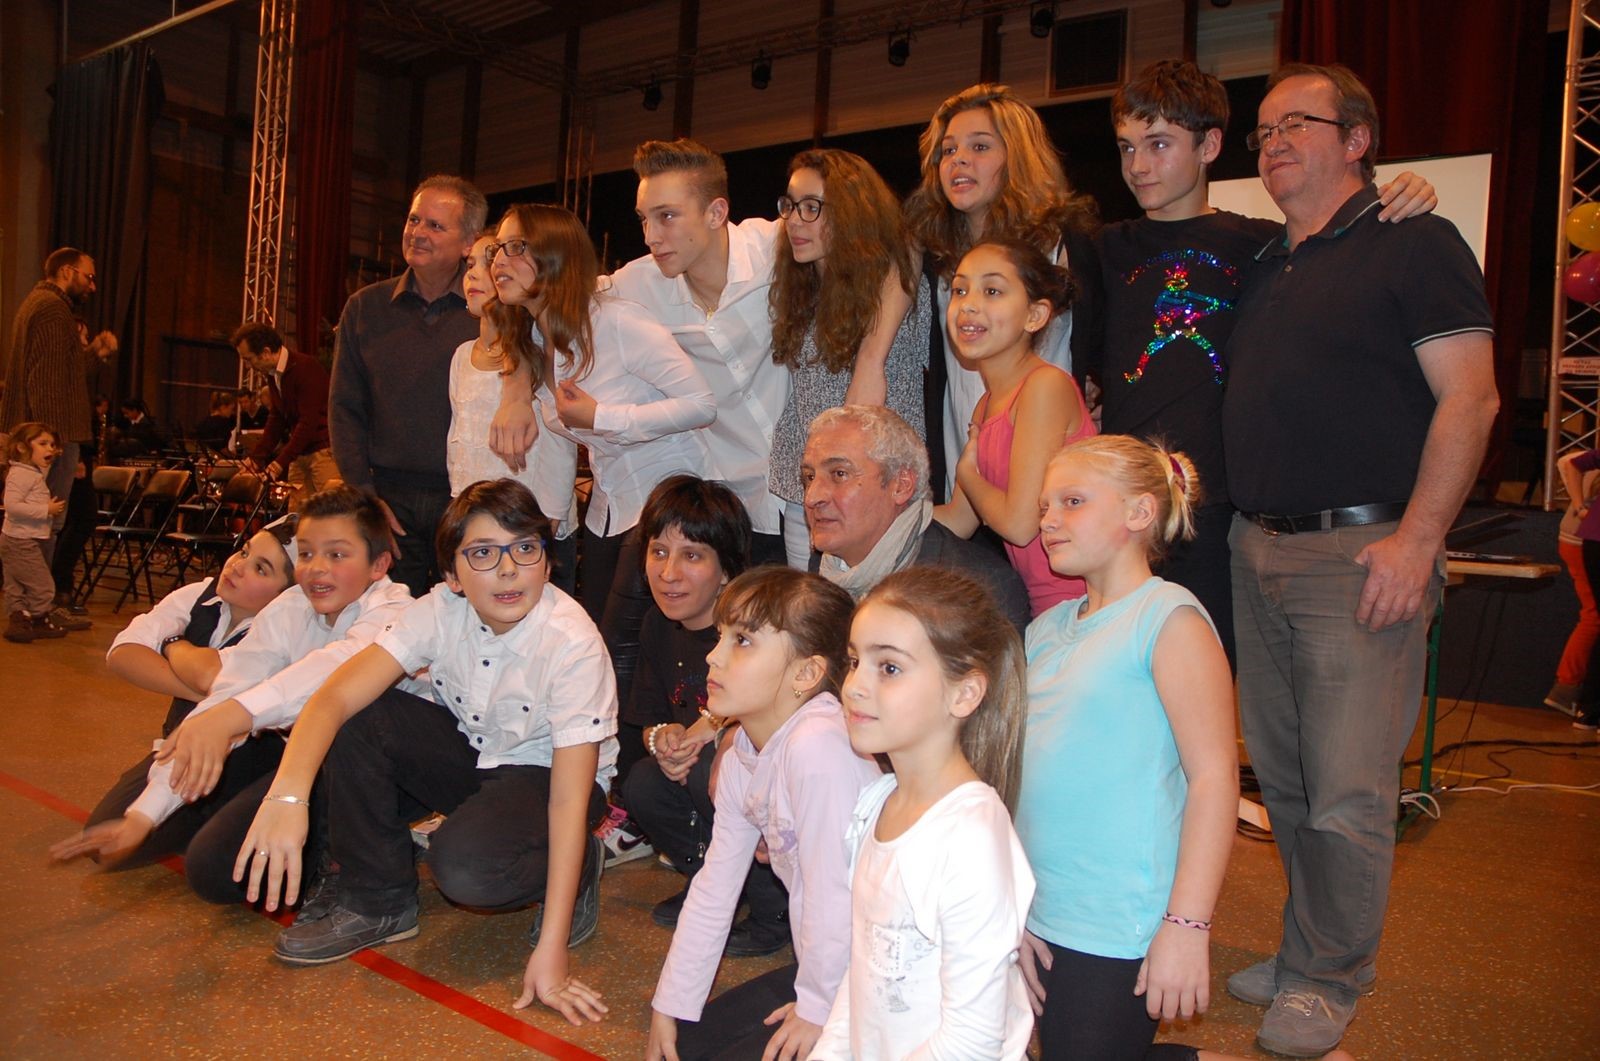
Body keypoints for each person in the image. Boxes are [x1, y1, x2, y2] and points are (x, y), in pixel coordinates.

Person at [1221, 64, 1499, 1056]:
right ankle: (1305, 949)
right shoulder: (1267, 262)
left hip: (1361, 552)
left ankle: (1331, 975)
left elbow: (1471, 398)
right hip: (1257, 548)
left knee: (1347, 790)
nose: (1272, 143)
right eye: (1261, 131)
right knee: (1290, 783)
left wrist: (1418, 540)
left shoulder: (1414, 240)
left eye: (1295, 123)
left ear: (1357, 139)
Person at [1085, 59, 1439, 668]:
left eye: (1159, 144)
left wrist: (1407, 192)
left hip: (1221, 515)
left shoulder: (1264, 245)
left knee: (1205, 680)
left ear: (1209, 146)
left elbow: (1344, 238)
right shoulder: (1100, 250)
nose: (1138, 165)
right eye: (1126, 147)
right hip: (1121, 508)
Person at [237, 479, 618, 1029]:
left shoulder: (572, 642)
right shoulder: (437, 609)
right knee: (361, 715)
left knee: (464, 871)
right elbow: (334, 696)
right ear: (452, 576)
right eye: (482, 553)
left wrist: (551, 949)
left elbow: (567, 799)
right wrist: (287, 796)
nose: (508, 570)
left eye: (524, 548)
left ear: (547, 562)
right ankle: (378, 900)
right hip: (475, 754)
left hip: (552, 777)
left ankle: (581, 865)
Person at [49, 486, 414, 905]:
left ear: (378, 565)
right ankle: (229, 814)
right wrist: (144, 815)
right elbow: (231, 689)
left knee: (218, 869)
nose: (316, 568)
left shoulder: (394, 610)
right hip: (299, 755)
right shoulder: (290, 607)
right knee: (191, 854)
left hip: (386, 772)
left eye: (336, 554)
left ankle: (348, 856)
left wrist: (233, 716)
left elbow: (331, 673)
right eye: (307, 553)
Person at [1017, 437, 1237, 1060]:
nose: (1048, 520)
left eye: (1073, 502)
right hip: (1043, 908)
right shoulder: (1045, 630)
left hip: (1119, 920)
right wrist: (1011, 907)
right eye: (1044, 506)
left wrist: (1187, 924)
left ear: (1140, 513)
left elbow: (1214, 778)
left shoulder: (1167, 619)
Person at [645, 566, 880, 1061]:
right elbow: (715, 889)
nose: (713, 655)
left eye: (743, 641)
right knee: (683, 1048)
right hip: (837, 966)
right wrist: (671, 1003)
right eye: (721, 636)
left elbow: (832, 896)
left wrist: (818, 1009)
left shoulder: (820, 746)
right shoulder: (744, 755)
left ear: (805, 674)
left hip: (890, 979)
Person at [489, 202, 714, 713]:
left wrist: (603, 416)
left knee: (616, 653)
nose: (500, 260)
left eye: (517, 247)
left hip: (663, 499)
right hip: (608, 508)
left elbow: (702, 404)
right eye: (498, 248)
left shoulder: (614, 321)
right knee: (596, 642)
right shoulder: (536, 337)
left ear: (556, 256)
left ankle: (624, 755)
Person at [812, 566, 1034, 1058]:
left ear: (964, 694)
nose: (853, 686)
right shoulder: (876, 805)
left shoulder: (971, 837)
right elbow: (863, 977)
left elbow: (971, 1043)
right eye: (854, 661)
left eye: (889, 668)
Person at [573, 138, 791, 566]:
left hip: (806, 492)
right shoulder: (637, 284)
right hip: (728, 507)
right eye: (644, 219)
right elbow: (554, 306)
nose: (651, 237)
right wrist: (516, 393)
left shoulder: (776, 249)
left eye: (667, 216)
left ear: (716, 212)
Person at [49, 524, 297, 866]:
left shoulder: (282, 632)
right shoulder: (198, 594)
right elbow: (122, 654)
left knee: (209, 862)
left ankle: (232, 818)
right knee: (105, 840)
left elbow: (209, 673)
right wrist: (207, 694)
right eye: (244, 552)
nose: (237, 566)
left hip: (247, 761)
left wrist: (171, 643)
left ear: (286, 596)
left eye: (260, 569)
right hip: (184, 747)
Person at [619, 476, 791, 958]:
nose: (668, 572)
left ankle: (774, 909)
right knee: (643, 782)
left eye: (692, 556)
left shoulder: (752, 631)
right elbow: (650, 719)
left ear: (727, 571)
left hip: (765, 775)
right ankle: (714, 885)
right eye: (658, 552)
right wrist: (663, 741)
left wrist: (706, 733)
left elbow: (775, 722)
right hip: (698, 764)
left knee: (714, 771)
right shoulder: (657, 624)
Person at [903, 84, 1101, 501]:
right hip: (967, 474)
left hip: (1046, 481)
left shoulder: (1064, 247)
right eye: (949, 150)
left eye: (979, 146)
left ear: (1017, 157)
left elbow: (1098, 345)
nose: (959, 159)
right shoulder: (934, 256)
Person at [766, 148, 931, 568]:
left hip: (880, 496)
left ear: (853, 213)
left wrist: (870, 362)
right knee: (816, 606)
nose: (795, 221)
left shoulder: (892, 284)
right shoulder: (803, 290)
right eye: (790, 206)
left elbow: (910, 244)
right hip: (807, 497)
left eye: (812, 207)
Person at [329, 174, 488, 597]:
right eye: (414, 219)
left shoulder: (491, 312)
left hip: (467, 498)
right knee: (389, 622)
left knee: (466, 620)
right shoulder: (364, 308)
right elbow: (345, 407)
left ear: (469, 242)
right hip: (388, 500)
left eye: (435, 225)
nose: (417, 233)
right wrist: (364, 497)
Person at [933, 238, 1094, 617]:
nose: (968, 304)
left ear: (1035, 316)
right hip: (1044, 605)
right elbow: (959, 519)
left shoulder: (1044, 386)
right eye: (960, 290)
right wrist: (886, 517)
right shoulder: (986, 404)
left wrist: (967, 475)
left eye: (992, 291)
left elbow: (1021, 525)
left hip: (1082, 602)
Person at [801, 404, 1031, 631]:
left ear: (901, 485)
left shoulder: (978, 592)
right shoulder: (821, 570)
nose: (812, 497)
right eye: (809, 477)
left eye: (839, 474)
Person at [1, 247, 117, 616]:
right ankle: (36, 607)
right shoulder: (53, 309)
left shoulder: (37, 304)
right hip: (52, 434)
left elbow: (61, 372)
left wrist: (94, 352)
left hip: (38, 433)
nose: (92, 286)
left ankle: (26, 604)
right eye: (88, 276)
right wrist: (51, 444)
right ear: (67, 272)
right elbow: (47, 383)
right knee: (43, 523)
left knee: (34, 523)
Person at [447, 230, 579, 547]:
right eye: (470, 264)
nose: (474, 274)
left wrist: (552, 512)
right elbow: (458, 438)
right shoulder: (462, 355)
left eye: (489, 263)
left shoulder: (537, 347)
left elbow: (561, 439)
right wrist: (458, 503)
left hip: (531, 515)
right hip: (476, 516)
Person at [232, 321, 337, 507]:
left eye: (249, 359)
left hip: (322, 453)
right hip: (300, 454)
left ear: (265, 352)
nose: (248, 366)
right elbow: (277, 418)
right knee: (296, 515)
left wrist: (279, 463)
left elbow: (308, 422)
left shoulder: (305, 368)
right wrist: (257, 458)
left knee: (331, 512)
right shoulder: (274, 374)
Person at [3, 422, 70, 643]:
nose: (50, 448)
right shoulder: (22, 475)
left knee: (16, 586)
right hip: (20, 541)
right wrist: (45, 509)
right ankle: (38, 618)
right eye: (43, 443)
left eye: (52, 444)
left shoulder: (30, 472)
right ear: (22, 447)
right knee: (43, 586)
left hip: (18, 539)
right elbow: (12, 506)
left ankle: (20, 621)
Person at [1550, 448, 1600, 716]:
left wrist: (1580, 505)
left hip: (1582, 538)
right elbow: (1567, 462)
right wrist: (1580, 506)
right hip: (1583, 539)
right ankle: (1569, 689)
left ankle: (1573, 693)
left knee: (1593, 616)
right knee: (1593, 617)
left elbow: (1568, 462)